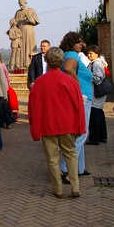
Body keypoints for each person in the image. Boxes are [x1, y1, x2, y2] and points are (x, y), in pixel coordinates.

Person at [29, 47, 85, 198]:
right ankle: (75, 187)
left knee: (52, 158)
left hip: (47, 125)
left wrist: (34, 127)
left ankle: (58, 190)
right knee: (71, 154)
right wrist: (81, 126)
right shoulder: (70, 81)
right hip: (67, 124)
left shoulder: (39, 83)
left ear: (46, 60)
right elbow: (78, 105)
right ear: (61, 61)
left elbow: (32, 108)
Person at [58, 32, 93, 183]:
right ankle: (64, 168)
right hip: (82, 97)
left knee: (81, 133)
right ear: (71, 43)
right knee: (81, 134)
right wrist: (77, 85)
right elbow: (68, 68)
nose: (82, 44)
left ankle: (79, 168)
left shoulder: (68, 54)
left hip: (83, 96)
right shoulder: (71, 55)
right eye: (78, 42)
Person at [85, 45, 108, 145]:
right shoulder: (95, 63)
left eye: (91, 53)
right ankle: (102, 136)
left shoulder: (97, 64)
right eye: (88, 53)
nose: (89, 55)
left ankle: (94, 138)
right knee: (99, 114)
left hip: (96, 92)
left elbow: (98, 78)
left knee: (95, 115)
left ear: (97, 54)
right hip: (96, 92)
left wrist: (88, 76)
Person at [13, 0, 40, 68]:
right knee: (20, 48)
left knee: (29, 47)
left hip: (29, 32)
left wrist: (28, 18)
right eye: (19, 4)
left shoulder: (31, 10)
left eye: (21, 4)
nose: (20, 5)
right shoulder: (18, 12)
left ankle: (30, 64)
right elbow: (14, 23)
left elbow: (35, 22)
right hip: (20, 32)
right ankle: (21, 65)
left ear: (25, 3)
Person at [0, 49, 16, 128]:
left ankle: (1, 122)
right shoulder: (2, 65)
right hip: (4, 88)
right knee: (5, 106)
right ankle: (7, 121)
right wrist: (8, 86)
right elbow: (7, 77)